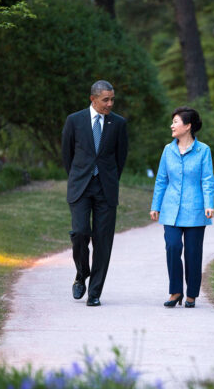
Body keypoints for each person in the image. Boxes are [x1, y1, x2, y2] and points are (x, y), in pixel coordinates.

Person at [61, 80, 128, 306]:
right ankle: (82, 274)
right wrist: (80, 177)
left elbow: (121, 158)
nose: (110, 104)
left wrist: (108, 179)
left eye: (112, 99)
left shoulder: (118, 124)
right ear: (93, 99)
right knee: (80, 232)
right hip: (81, 186)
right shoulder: (74, 121)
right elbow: (67, 155)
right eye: (105, 100)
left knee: (103, 241)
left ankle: (95, 293)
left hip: (106, 189)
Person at [150, 106, 214, 308]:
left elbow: (207, 180)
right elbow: (161, 180)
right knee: (173, 246)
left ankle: (191, 294)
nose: (172, 125)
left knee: (193, 252)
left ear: (188, 126)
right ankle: (175, 291)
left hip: (195, 209)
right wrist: (155, 206)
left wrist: (209, 204)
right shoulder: (168, 150)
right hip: (170, 210)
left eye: (176, 121)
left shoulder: (203, 150)